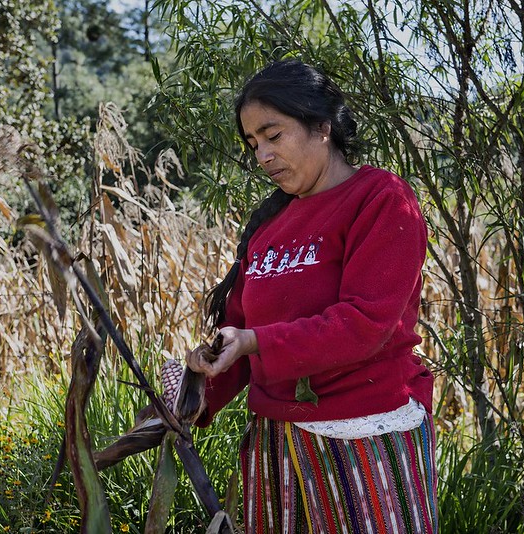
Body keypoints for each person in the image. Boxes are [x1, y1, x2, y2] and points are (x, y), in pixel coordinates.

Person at [186, 59, 436, 533]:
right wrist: (197, 391)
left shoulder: (382, 199)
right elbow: (240, 335)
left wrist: (255, 341)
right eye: (253, 143)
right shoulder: (270, 228)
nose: (262, 156)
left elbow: (363, 325)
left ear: (321, 126)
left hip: (364, 438)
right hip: (275, 447)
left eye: (273, 135)